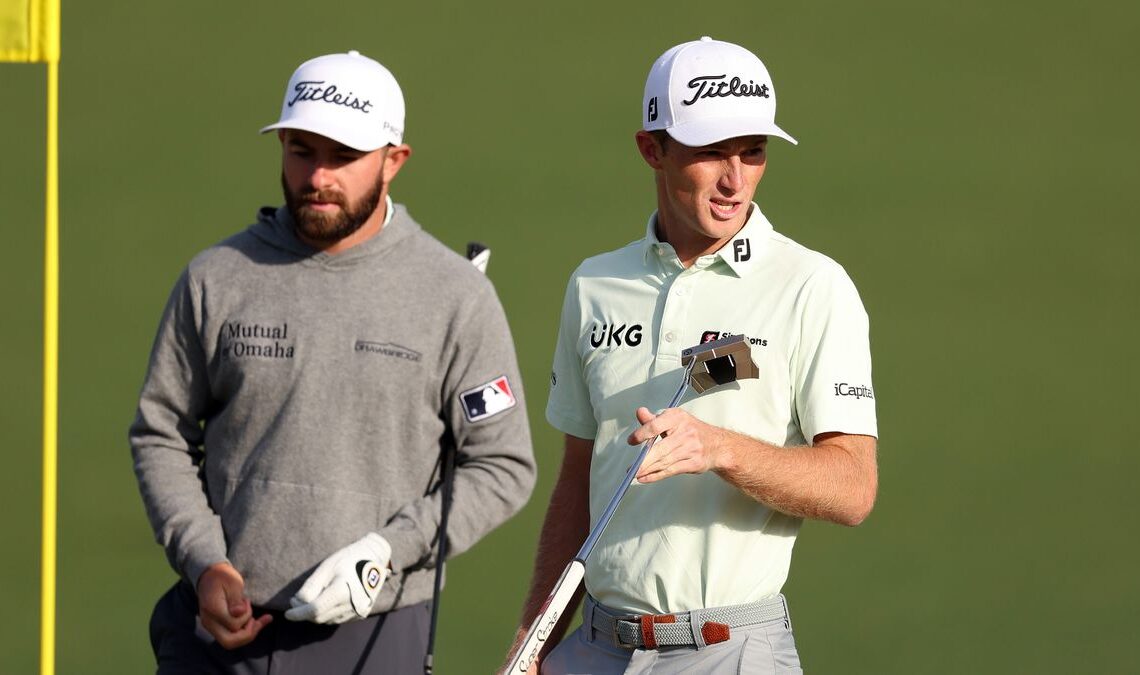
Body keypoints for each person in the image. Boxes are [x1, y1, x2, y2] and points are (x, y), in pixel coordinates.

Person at [130, 50, 535, 673]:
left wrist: (386, 553)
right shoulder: (216, 279)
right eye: (301, 151)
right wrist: (203, 560)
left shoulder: (454, 295)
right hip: (218, 634)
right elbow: (161, 435)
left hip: (376, 636)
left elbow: (501, 465)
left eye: (343, 157)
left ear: (393, 161)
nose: (318, 176)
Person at [506, 37, 878, 674]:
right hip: (592, 647)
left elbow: (853, 488)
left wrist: (720, 449)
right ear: (652, 149)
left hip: (727, 650)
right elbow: (578, 476)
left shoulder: (813, 286)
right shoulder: (595, 284)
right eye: (711, 153)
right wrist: (533, 641)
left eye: (753, 152)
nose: (736, 180)